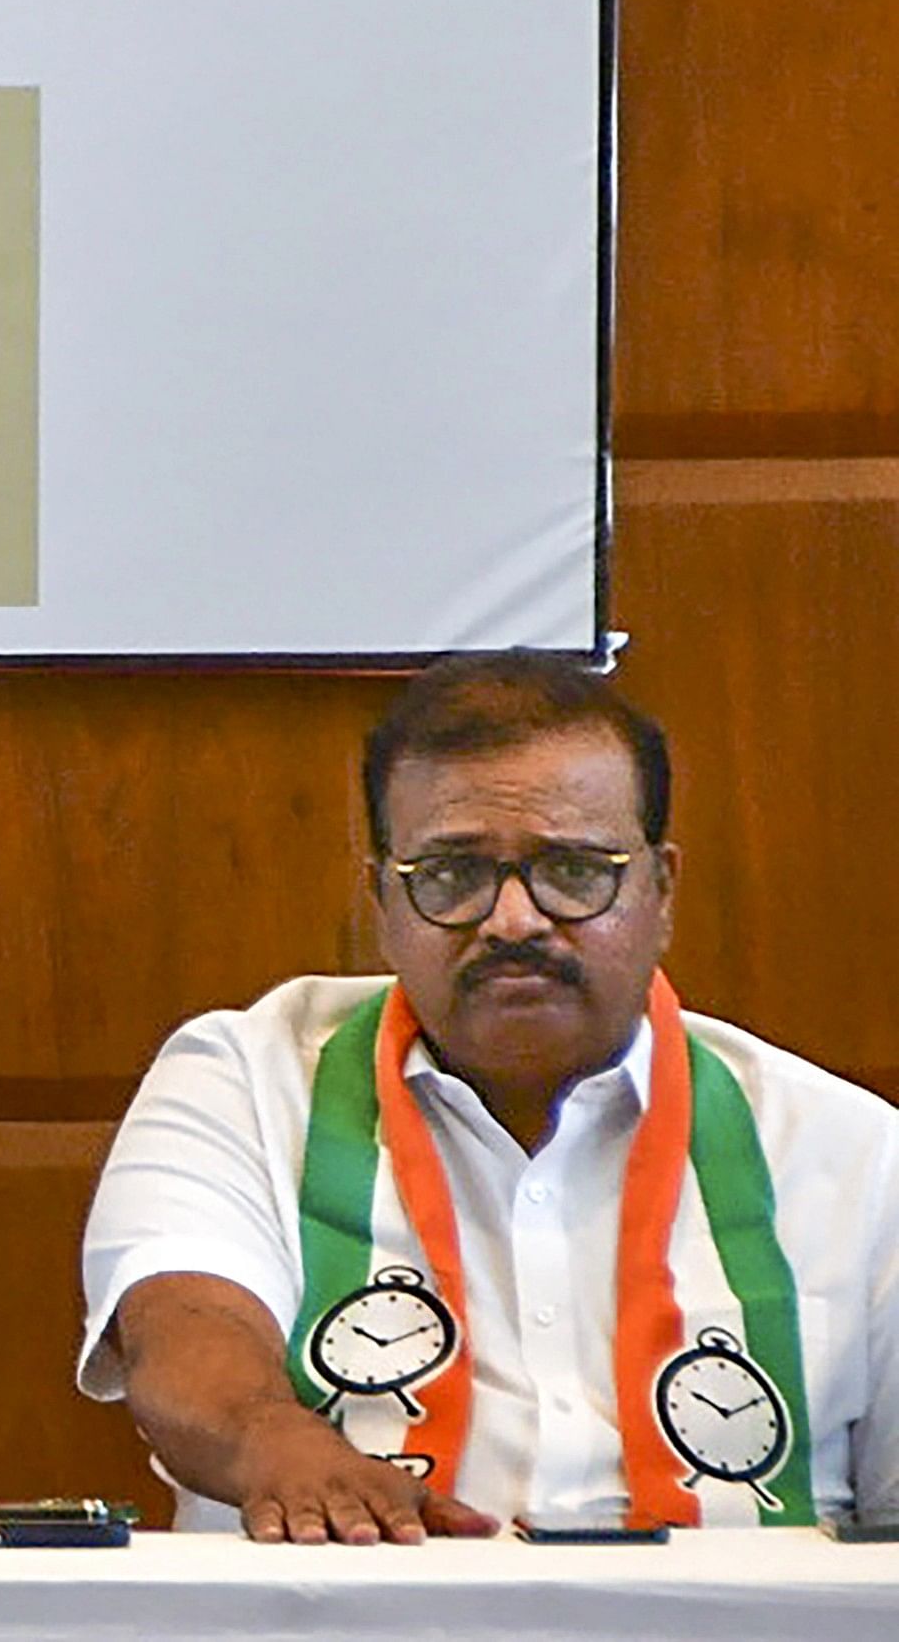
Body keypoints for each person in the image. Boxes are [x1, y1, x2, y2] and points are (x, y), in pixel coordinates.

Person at [81, 651, 899, 1541]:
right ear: (381, 901)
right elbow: (183, 1325)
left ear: (662, 890)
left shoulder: (851, 1154)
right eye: (452, 874)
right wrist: (271, 1442)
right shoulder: (248, 1077)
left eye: (576, 870)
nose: (514, 919)